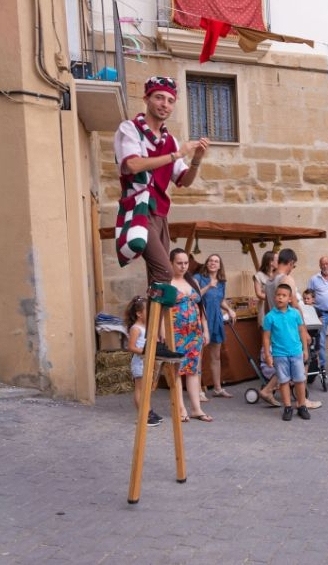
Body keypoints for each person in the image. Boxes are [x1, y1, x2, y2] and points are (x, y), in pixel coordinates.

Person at [113, 76, 209, 362]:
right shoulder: (130, 129)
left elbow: (184, 180)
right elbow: (132, 164)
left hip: (160, 213)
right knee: (164, 272)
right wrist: (175, 155)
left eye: (169, 100)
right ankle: (155, 336)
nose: (164, 104)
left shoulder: (170, 140)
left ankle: (157, 337)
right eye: (159, 97)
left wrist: (196, 159)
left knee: (157, 278)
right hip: (138, 210)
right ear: (147, 99)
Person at [169, 248, 211, 422]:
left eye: (186, 263)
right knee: (177, 370)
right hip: (175, 333)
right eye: (179, 263)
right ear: (171, 263)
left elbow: (201, 308)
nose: (183, 266)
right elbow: (161, 310)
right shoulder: (168, 283)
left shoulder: (192, 281)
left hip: (194, 332)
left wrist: (205, 329)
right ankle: (181, 408)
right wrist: (162, 332)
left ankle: (196, 408)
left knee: (193, 370)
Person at [263, 283, 312, 421]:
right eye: (278, 295)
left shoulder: (295, 314)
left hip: (296, 352)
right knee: (283, 381)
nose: (280, 298)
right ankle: (288, 407)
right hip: (279, 354)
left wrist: (305, 349)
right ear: (275, 297)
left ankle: (302, 405)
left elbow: (302, 331)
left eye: (284, 295)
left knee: (299, 380)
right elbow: (266, 337)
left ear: (290, 298)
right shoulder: (270, 317)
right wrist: (267, 354)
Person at [194, 254, 236, 399]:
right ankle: (198, 390)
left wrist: (229, 309)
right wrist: (208, 286)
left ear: (219, 266)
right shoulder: (198, 278)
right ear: (207, 263)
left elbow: (220, 299)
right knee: (199, 357)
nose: (213, 263)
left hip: (216, 319)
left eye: (216, 261)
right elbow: (194, 296)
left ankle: (217, 388)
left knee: (216, 356)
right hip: (202, 319)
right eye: (210, 261)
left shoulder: (221, 282)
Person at [125, 295, 164, 427]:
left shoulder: (147, 327)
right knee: (140, 389)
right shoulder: (135, 329)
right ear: (139, 314)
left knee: (146, 389)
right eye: (149, 310)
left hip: (147, 362)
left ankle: (149, 411)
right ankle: (143, 416)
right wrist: (145, 352)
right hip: (140, 362)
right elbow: (131, 347)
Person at [253, 250, 278, 330]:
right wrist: (272, 298)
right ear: (271, 262)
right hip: (264, 307)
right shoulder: (259, 276)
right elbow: (258, 294)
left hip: (277, 306)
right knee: (266, 330)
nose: (279, 262)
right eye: (277, 260)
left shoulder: (278, 274)